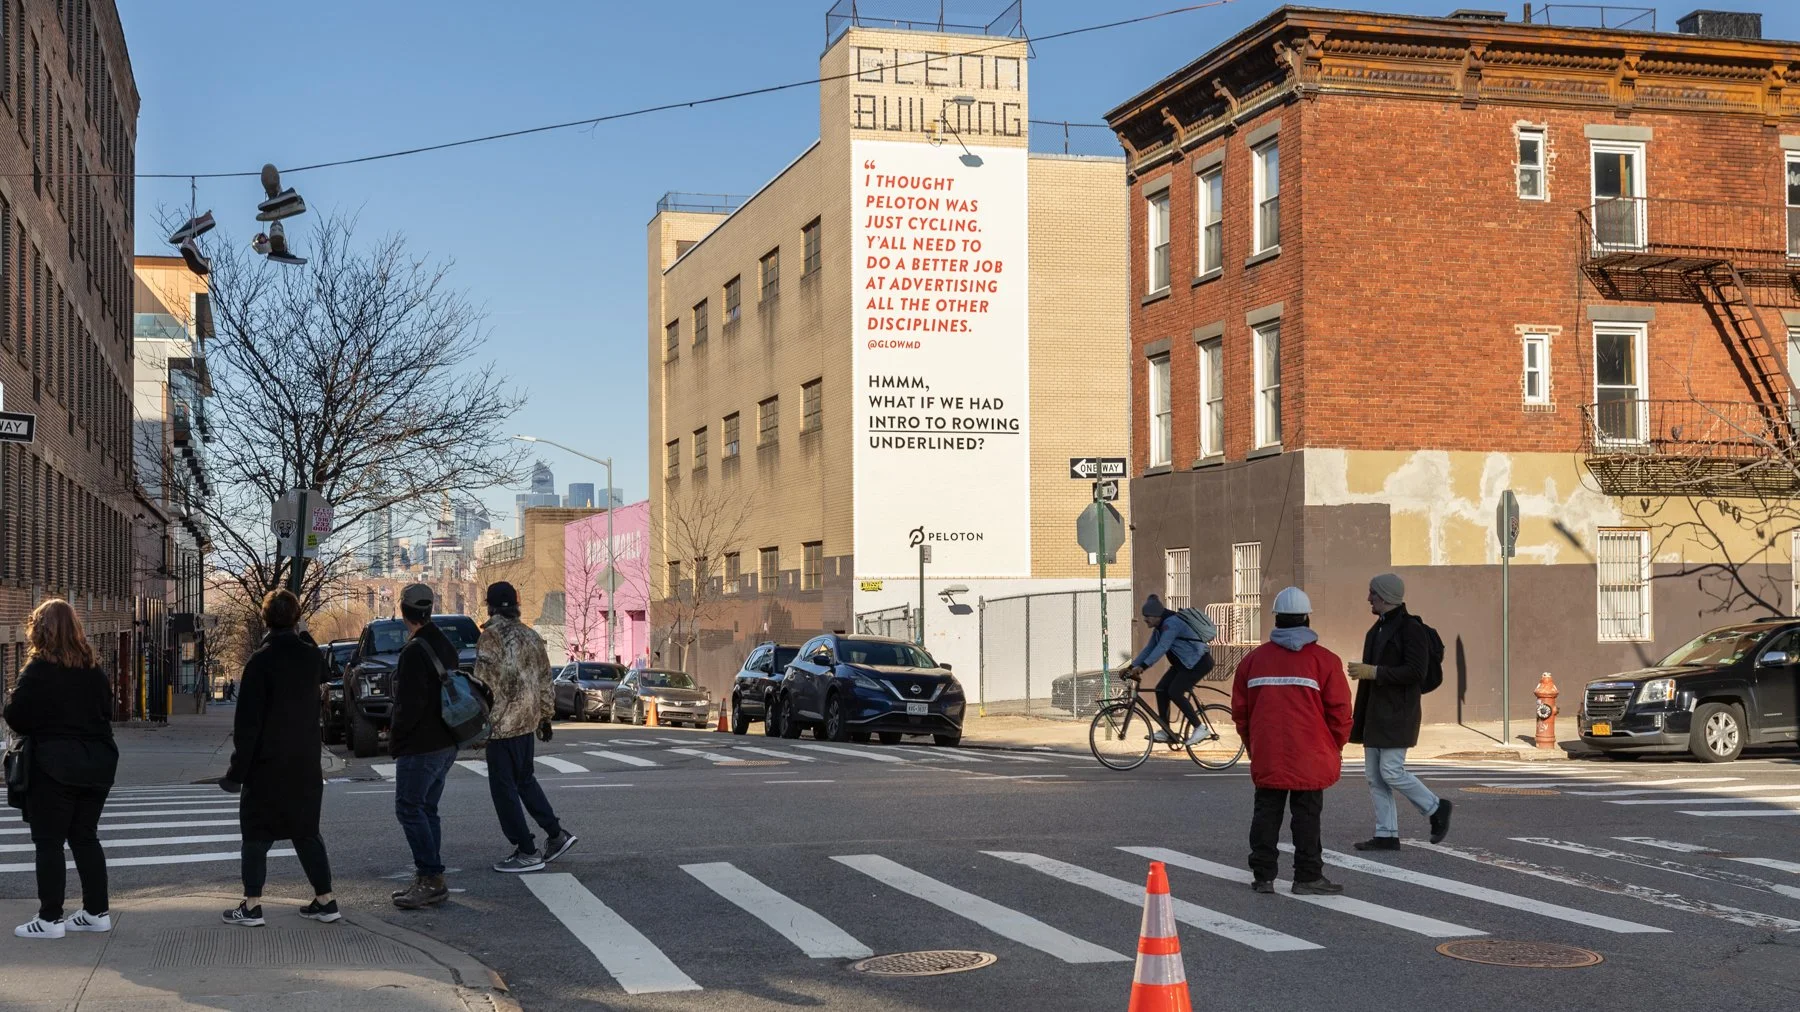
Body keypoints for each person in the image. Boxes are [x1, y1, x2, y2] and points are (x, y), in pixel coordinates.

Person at [220, 591, 340, 926]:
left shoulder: (260, 661)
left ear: (265, 619)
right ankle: (326, 900)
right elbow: (325, 671)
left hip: (267, 765)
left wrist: (236, 772)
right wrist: (305, 634)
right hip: (305, 762)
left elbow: (247, 725)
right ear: (297, 618)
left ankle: (252, 905)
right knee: (306, 831)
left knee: (256, 834)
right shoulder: (310, 657)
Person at [4, 600, 119, 939]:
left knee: (49, 842)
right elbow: (107, 713)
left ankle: (50, 919)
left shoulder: (38, 670)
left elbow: (17, 717)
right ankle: (96, 912)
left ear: (41, 631)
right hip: (98, 763)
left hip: (53, 766)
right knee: (85, 837)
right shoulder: (94, 670)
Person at [1232, 587, 1352, 895]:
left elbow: (1241, 712)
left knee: (1266, 812)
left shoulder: (1253, 661)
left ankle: (1263, 876)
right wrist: (1334, 746)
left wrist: (1253, 744)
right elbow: (1340, 713)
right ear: (1307, 618)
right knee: (1307, 816)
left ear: (1276, 619)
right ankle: (1307, 877)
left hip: (1268, 750)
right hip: (1310, 753)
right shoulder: (1326, 661)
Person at [476, 582, 577, 873]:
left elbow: (483, 686)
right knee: (525, 782)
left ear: (490, 606)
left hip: (501, 727)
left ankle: (526, 850)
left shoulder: (491, 637)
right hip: (527, 724)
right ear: (515, 605)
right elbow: (545, 681)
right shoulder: (531, 636)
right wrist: (545, 718)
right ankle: (556, 835)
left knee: (503, 790)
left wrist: (479, 727)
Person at [1348, 573, 1452, 850]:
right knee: (1374, 776)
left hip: (1398, 712)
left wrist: (1374, 672)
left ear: (1385, 596)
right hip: (1374, 713)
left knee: (1391, 771)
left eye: (1372, 593)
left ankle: (1436, 807)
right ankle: (1386, 834)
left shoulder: (1410, 629)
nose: (1368, 598)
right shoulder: (1377, 629)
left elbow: (1416, 671)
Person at [389, 583, 461, 909]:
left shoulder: (414, 651)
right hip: (446, 741)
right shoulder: (444, 643)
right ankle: (430, 877)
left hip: (421, 745)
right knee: (427, 808)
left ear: (404, 611)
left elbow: (409, 707)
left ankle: (431, 877)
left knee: (409, 808)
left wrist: (396, 740)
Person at [1121, 594, 1213, 744]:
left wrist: (1143, 666)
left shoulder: (1171, 624)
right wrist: (1130, 667)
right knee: (1161, 690)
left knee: (1175, 691)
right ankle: (1166, 731)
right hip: (1183, 665)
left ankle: (1199, 727)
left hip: (1199, 663)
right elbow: (1149, 649)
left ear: (1157, 615)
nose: (1145, 619)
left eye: (1147, 616)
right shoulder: (1159, 628)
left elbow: (1162, 647)